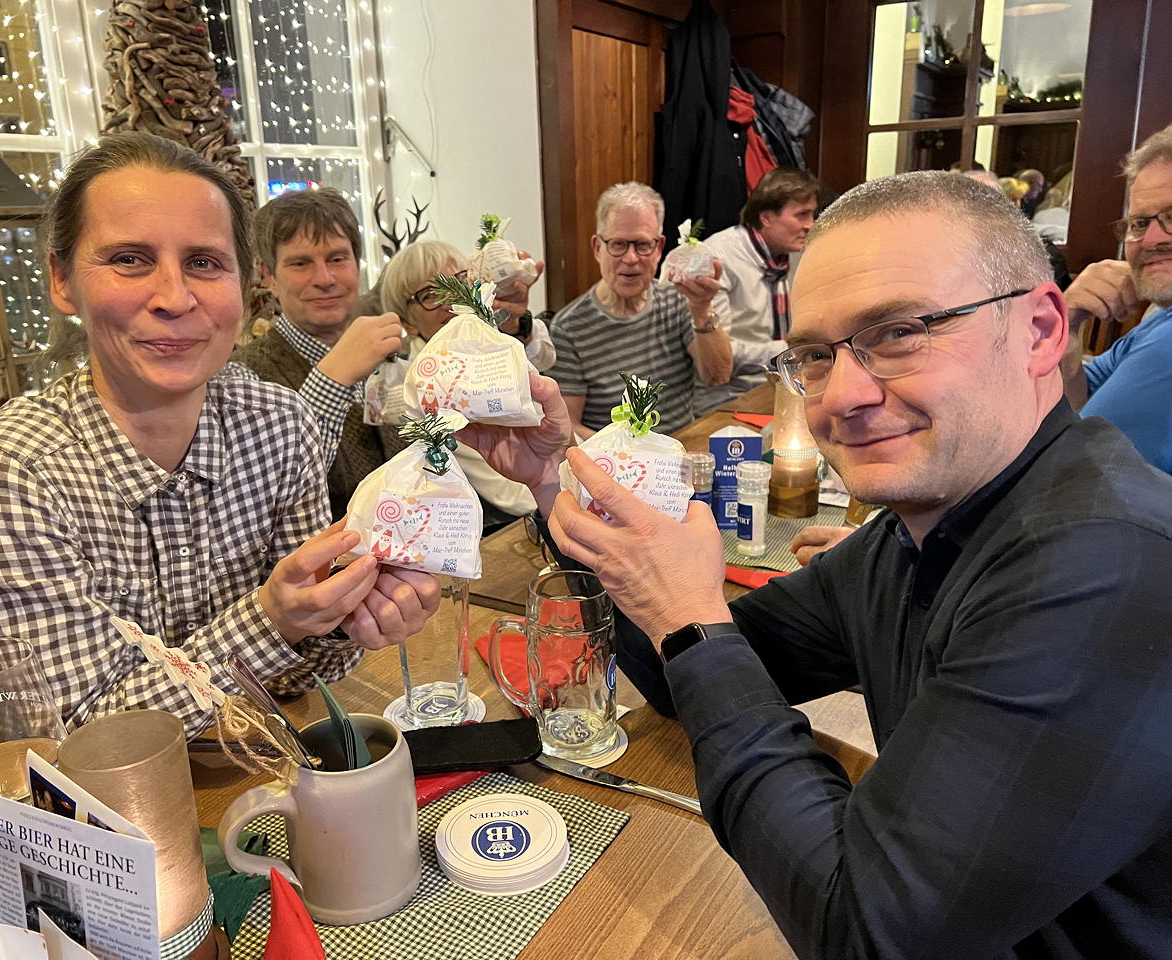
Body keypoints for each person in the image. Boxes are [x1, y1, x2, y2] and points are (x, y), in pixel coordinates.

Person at [463, 170, 1172, 958]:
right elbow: (681, 675)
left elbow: (862, 932)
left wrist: (690, 620)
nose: (842, 396)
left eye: (898, 333)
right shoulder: (912, 534)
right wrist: (555, 482)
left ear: (1041, 331)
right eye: (815, 356)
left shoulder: (1105, 564)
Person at [0, 133, 439, 736]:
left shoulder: (278, 423)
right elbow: (76, 742)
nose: (174, 298)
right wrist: (273, 620)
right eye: (129, 259)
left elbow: (303, 678)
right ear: (62, 280)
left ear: (243, 283)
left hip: (262, 760)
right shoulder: (6, 472)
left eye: (204, 262)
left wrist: (346, 616)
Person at [230, 188, 404, 516]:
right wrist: (333, 378)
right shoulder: (244, 377)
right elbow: (262, 497)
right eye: (300, 263)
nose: (324, 279)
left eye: (337, 259)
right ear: (269, 277)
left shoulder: (389, 358)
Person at [378, 239, 550, 530]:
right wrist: (567, 495)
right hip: (507, 520)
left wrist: (515, 323)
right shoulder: (429, 385)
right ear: (408, 322)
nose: (450, 299)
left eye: (458, 281)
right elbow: (506, 490)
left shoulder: (478, 342)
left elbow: (543, 360)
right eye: (431, 294)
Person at [548, 181, 732, 437]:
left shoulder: (679, 299)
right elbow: (569, 426)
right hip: (612, 457)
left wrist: (701, 309)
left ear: (659, 249)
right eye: (618, 244)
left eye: (642, 245)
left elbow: (718, 376)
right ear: (598, 248)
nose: (631, 258)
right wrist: (633, 453)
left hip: (680, 449)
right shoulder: (568, 327)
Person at [1062, 124, 1172, 473]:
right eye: (1139, 223)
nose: (1151, 239)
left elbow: (1075, 466)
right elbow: (1070, 405)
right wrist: (1068, 322)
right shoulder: (1161, 318)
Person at [683, 167, 818, 414]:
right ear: (766, 218)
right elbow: (717, 351)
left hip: (790, 384)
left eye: (812, 214)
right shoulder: (717, 258)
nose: (811, 225)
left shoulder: (797, 253)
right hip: (729, 398)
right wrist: (784, 352)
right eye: (802, 215)